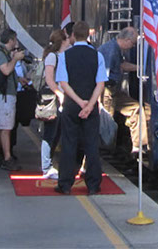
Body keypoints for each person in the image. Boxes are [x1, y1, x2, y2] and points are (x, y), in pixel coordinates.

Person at [55, 20, 107, 195]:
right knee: (92, 145)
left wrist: (78, 102)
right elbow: (100, 83)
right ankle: (93, 184)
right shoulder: (97, 55)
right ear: (88, 35)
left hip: (71, 105)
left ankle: (66, 184)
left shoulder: (64, 56)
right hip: (91, 106)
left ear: (73, 35)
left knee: (69, 143)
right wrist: (90, 105)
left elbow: (63, 83)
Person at [99, 27, 149, 154]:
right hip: (107, 92)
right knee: (105, 127)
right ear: (127, 40)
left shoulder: (115, 48)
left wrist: (141, 68)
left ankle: (138, 146)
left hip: (113, 91)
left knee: (136, 109)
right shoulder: (111, 51)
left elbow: (122, 65)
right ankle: (88, 163)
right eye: (132, 44)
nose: (132, 47)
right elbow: (102, 77)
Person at [0, 28, 24, 171]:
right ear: (11, 40)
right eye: (15, 39)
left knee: (1, 126)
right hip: (5, 96)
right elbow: (6, 70)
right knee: (6, 128)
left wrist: (20, 80)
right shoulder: (1, 54)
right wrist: (15, 59)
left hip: (5, 95)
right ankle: (7, 158)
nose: (16, 42)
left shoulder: (3, 53)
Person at [40, 29, 69, 179]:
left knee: (56, 132)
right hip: (53, 98)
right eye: (67, 38)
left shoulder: (59, 56)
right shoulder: (52, 57)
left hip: (59, 97)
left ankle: (49, 164)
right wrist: (60, 94)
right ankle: (46, 166)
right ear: (62, 41)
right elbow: (49, 79)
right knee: (50, 132)